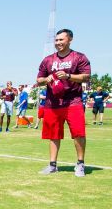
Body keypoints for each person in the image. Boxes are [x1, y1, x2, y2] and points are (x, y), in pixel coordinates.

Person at [33, 29, 91, 176]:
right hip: (52, 104)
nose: (58, 43)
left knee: (78, 133)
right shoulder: (48, 60)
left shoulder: (79, 57)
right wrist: (46, 80)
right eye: (56, 40)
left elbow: (86, 76)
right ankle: (52, 165)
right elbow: (39, 80)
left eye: (61, 40)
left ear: (70, 40)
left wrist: (68, 76)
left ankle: (80, 164)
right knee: (53, 135)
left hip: (73, 102)